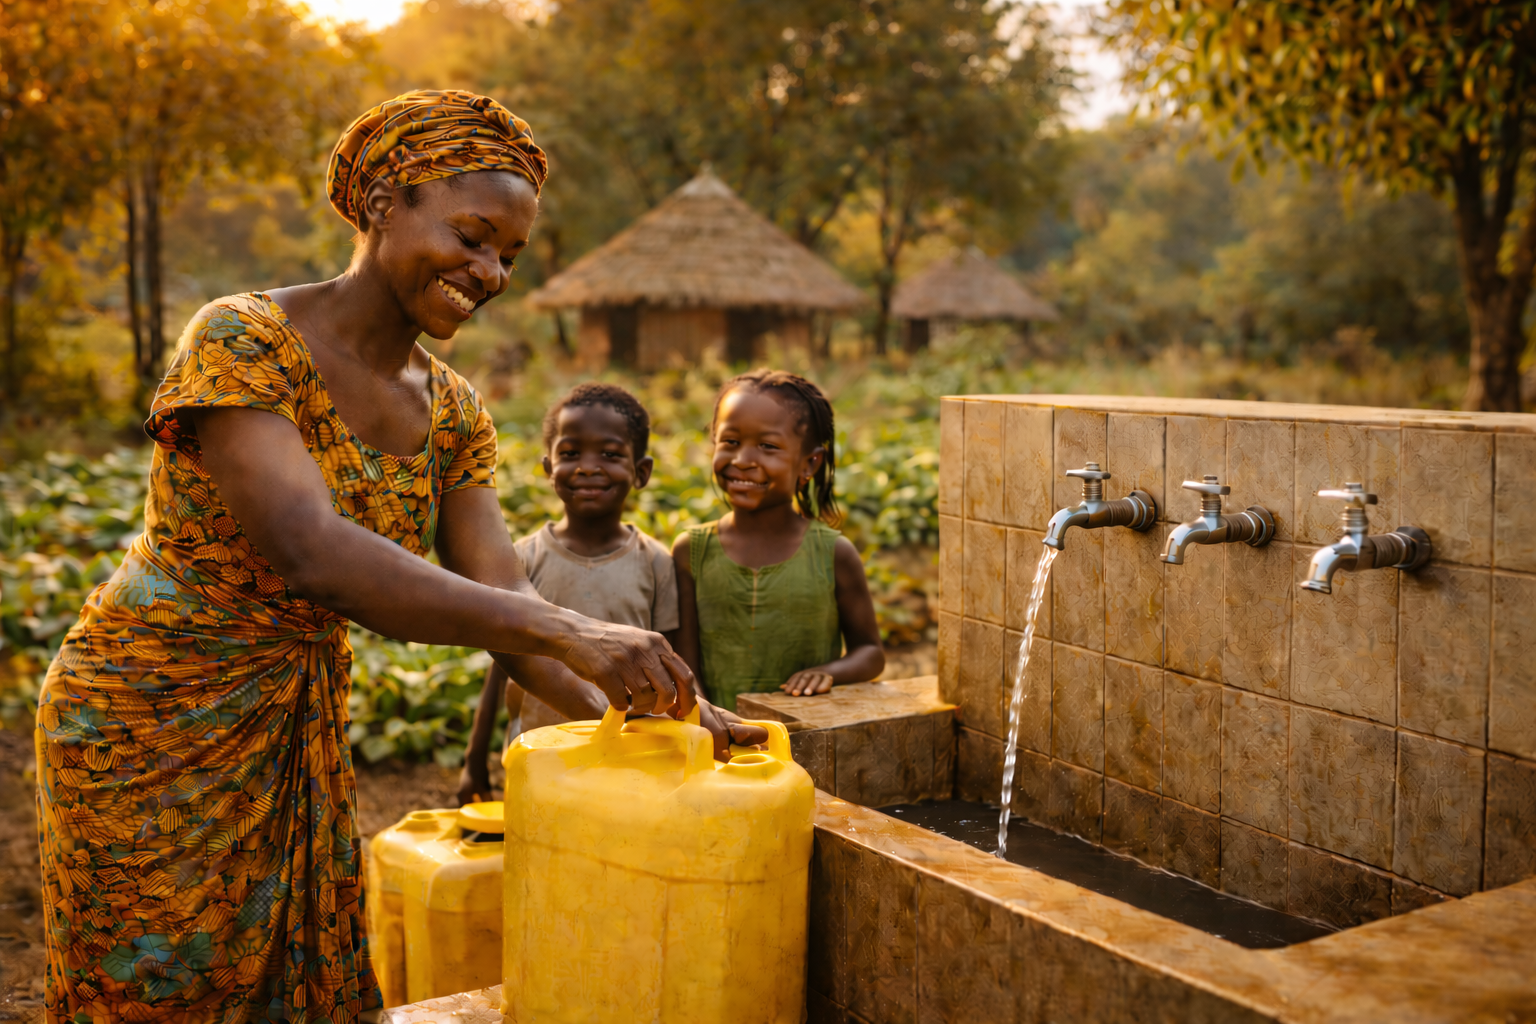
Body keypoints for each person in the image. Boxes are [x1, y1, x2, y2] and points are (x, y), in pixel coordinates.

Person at [32, 90, 705, 1024]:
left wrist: (661, 721)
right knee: (162, 990)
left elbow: (505, 603)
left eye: (509, 255)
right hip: (146, 715)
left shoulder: (454, 412)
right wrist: (574, 629)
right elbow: (310, 551)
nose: (489, 273)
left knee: (292, 986)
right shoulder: (243, 340)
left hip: (294, 718)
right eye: (471, 236)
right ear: (385, 202)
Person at [457, 383, 765, 802]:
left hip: (635, 749)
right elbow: (504, 661)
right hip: (539, 748)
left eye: (609, 454)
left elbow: (677, 663)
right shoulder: (519, 561)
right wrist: (474, 758)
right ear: (548, 467)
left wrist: (701, 723)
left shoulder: (656, 563)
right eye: (570, 453)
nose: (588, 467)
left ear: (641, 472)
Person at [672, 370, 886, 712]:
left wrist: (829, 672)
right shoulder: (691, 552)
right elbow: (685, 666)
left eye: (767, 446)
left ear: (809, 463)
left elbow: (871, 653)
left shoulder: (833, 553)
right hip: (715, 734)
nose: (742, 461)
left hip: (809, 733)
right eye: (730, 442)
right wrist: (709, 719)